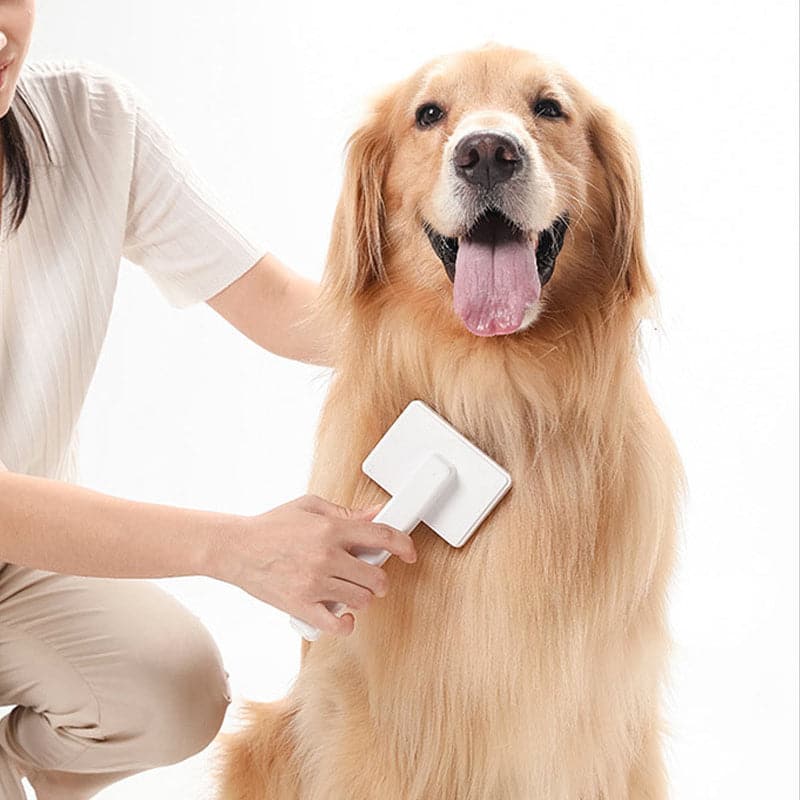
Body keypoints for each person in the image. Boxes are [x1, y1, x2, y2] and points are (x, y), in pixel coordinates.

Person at [0, 3, 417, 799]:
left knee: (172, 688)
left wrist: (457, 324)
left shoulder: (90, 122)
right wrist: (233, 548)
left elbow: (274, 302)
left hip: (20, 566)